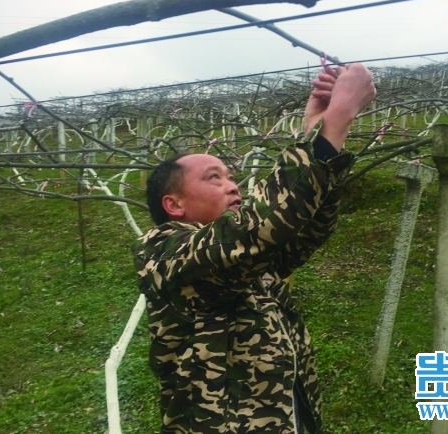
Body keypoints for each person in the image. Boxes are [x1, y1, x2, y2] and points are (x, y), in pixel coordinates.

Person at [133, 63, 376, 434]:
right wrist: (338, 119)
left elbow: (304, 230)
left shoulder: (253, 265)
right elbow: (248, 234)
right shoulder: (164, 253)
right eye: (214, 178)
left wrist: (319, 134)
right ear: (174, 205)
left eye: (231, 177)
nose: (233, 186)